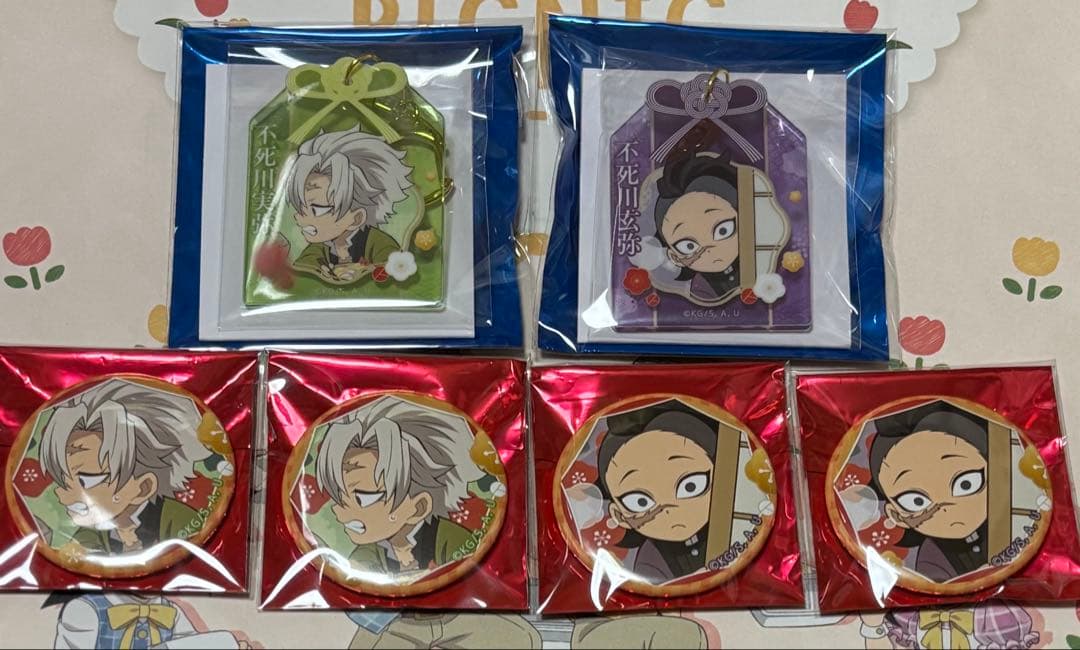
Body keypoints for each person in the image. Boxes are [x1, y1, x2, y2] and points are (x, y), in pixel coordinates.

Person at [314, 395, 485, 576]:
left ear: (418, 507)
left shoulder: (453, 541)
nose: (338, 511)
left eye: (363, 498)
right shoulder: (364, 554)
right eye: (339, 496)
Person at [39, 379, 213, 555]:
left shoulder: (179, 520)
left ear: (143, 487)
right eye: (62, 479)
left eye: (86, 480)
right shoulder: (90, 531)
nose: (61, 494)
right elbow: (77, 556)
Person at [594, 400, 719, 584]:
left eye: (690, 486)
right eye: (640, 502)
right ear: (620, 516)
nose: (670, 509)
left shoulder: (729, 523)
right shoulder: (651, 560)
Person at [868, 401, 990, 582]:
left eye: (966, 484)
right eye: (917, 501)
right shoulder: (932, 557)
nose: (947, 508)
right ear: (897, 515)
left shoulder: (1008, 522)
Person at [285, 127, 412, 282]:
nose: (299, 217)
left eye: (317, 209)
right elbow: (303, 270)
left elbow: (393, 272)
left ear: (356, 218)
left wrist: (365, 271)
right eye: (300, 206)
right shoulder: (319, 247)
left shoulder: (380, 244)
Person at [651, 153, 741, 302]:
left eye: (723, 230)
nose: (710, 249)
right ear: (675, 257)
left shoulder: (758, 260)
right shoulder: (702, 289)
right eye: (688, 246)